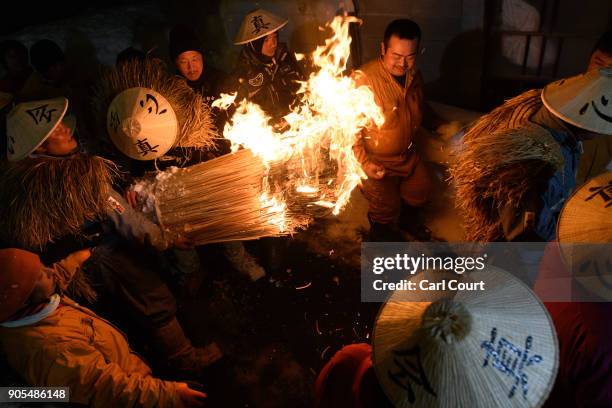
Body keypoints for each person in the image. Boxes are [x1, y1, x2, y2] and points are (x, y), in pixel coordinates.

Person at [0, 96, 222, 377]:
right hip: (105, 255)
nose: (66, 129)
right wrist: (167, 239)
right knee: (153, 299)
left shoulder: (26, 183)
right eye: (56, 128)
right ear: (41, 145)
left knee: (118, 308)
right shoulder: (78, 177)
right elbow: (125, 219)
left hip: (78, 262)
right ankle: (184, 358)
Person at [0, 247, 207, 407]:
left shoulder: (30, 308)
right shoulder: (54, 350)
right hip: (134, 396)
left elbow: (54, 278)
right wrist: (169, 395)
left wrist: (79, 256)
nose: (49, 271)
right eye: (41, 275)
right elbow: (107, 388)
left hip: (128, 369)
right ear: (25, 298)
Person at [451, 67, 612, 242]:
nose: (605, 133)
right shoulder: (534, 163)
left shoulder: (547, 118)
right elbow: (526, 235)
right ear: (588, 121)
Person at [352, 19, 441, 242]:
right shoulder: (363, 81)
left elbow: (420, 106)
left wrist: (439, 124)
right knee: (385, 205)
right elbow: (348, 131)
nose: (403, 63)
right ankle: (380, 233)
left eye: (409, 56)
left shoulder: (414, 76)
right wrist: (364, 163)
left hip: (408, 154)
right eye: (396, 56)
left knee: (422, 188)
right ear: (383, 49)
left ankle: (408, 221)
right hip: (377, 160)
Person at [230, 8, 303, 122]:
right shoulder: (243, 72)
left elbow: (303, 85)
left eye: (274, 37)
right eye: (266, 40)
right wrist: (271, 123)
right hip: (269, 132)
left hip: (298, 121)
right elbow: (241, 113)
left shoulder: (283, 56)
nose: (273, 44)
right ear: (254, 44)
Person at [168, 24, 230, 155]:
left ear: (202, 57)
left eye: (194, 59)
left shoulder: (221, 80)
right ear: (176, 64)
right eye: (184, 62)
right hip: (193, 157)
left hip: (227, 149)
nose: (191, 67)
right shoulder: (172, 91)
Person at [576, 29, 612, 184]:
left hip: (590, 195)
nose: (602, 72)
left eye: (611, 69)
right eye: (598, 62)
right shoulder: (562, 95)